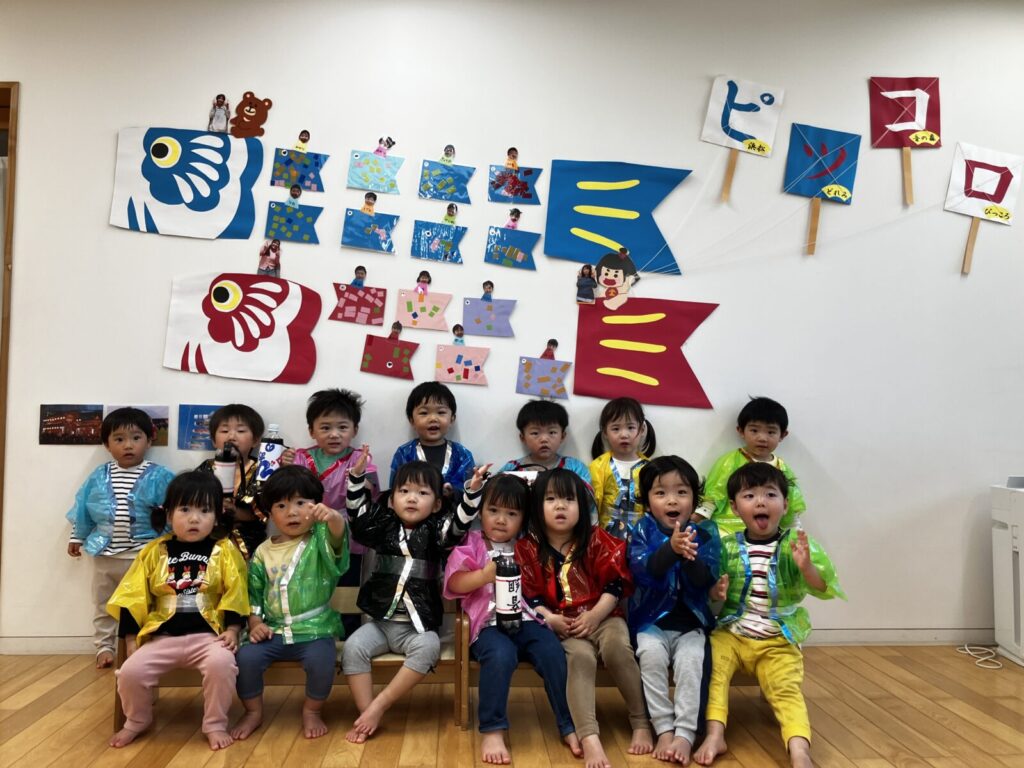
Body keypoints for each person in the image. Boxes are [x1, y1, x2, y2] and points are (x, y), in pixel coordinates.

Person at [693, 463, 843, 768]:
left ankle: (799, 749)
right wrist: (716, 592)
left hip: (777, 639)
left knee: (786, 690)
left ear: (785, 505)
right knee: (714, 675)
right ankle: (715, 735)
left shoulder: (795, 546)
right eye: (750, 496)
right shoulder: (727, 547)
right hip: (732, 634)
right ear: (735, 507)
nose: (760, 502)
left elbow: (823, 586)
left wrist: (806, 568)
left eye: (770, 495)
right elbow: (710, 590)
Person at [343, 451, 485, 742]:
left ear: (436, 504)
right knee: (352, 647)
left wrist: (471, 492)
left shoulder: (436, 531)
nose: (411, 498)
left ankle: (379, 706)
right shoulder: (382, 526)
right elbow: (357, 517)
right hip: (380, 624)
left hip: (416, 628)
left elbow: (458, 525)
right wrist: (356, 479)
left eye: (422, 493)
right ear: (391, 499)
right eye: (404, 491)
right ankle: (366, 713)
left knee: (429, 647)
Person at [517, 469, 653, 768]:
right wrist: (550, 619)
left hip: (603, 616)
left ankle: (641, 721)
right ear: (536, 506)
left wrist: (595, 615)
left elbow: (615, 586)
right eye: (550, 499)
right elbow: (529, 596)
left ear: (582, 506)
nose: (560, 506)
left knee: (618, 648)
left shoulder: (596, 539)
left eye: (569, 499)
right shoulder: (527, 548)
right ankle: (589, 737)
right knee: (580, 659)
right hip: (563, 624)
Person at [444, 474, 581, 764]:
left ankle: (568, 724)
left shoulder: (527, 546)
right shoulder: (471, 542)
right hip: (488, 627)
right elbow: (454, 584)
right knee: (501, 655)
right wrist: (483, 576)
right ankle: (493, 729)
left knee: (552, 652)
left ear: (524, 518)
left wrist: (549, 618)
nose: (501, 520)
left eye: (511, 514)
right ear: (480, 512)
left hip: (527, 621)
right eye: (493, 510)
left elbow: (539, 591)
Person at [107, 471, 249, 750]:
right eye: (185, 509)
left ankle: (215, 723)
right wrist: (131, 638)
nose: (194, 518)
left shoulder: (224, 550)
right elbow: (131, 595)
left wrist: (233, 629)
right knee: (130, 673)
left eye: (204, 510)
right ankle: (137, 720)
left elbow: (236, 591)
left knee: (222, 665)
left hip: (209, 638)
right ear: (169, 514)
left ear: (217, 517)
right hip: (162, 638)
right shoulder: (154, 551)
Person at [231, 465, 349, 741]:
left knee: (322, 662)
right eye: (281, 506)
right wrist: (255, 623)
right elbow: (254, 594)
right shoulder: (262, 552)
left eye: (300, 503)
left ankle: (312, 711)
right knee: (245, 659)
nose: (291, 512)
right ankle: (253, 712)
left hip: (315, 630)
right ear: (269, 513)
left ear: (316, 506)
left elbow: (337, 536)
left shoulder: (319, 540)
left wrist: (333, 517)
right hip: (272, 631)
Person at [629, 456, 721, 765]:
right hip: (650, 623)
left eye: (681, 492)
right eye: (661, 493)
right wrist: (671, 549)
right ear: (647, 502)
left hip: (692, 623)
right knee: (650, 657)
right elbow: (645, 571)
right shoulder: (641, 530)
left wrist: (689, 554)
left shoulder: (705, 533)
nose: (672, 500)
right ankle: (664, 728)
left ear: (694, 500)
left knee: (692, 661)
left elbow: (705, 580)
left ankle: (685, 732)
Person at [66, 407, 174, 668]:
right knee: (104, 603)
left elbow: (175, 512)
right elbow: (83, 509)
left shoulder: (161, 476)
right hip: (106, 556)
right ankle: (104, 646)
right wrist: (77, 536)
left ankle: (146, 645)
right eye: (119, 439)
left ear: (149, 441)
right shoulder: (99, 476)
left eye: (136, 438)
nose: (128, 445)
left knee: (147, 602)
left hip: (145, 556)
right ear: (107, 444)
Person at [283, 388, 378, 636]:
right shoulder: (300, 457)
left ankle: (348, 640)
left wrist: (359, 477)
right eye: (325, 427)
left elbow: (369, 493)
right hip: (305, 535)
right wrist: (283, 466)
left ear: (354, 430)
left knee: (347, 589)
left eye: (342, 427)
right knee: (307, 588)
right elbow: (287, 492)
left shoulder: (361, 459)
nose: (334, 434)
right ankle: (309, 635)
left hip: (347, 536)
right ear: (312, 431)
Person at [695, 397, 806, 534]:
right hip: (727, 530)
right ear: (741, 431)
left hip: (768, 532)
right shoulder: (730, 462)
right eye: (754, 431)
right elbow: (713, 497)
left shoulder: (782, 468)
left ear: (782, 435)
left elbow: (792, 505)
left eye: (771, 432)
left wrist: (796, 531)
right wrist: (696, 520)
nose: (762, 438)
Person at [196, 404, 266, 559]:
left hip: (248, 546)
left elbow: (263, 513)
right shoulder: (206, 468)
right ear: (214, 441)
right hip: (206, 542)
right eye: (224, 431)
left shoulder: (261, 471)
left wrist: (233, 510)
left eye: (240, 431)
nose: (231, 437)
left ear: (255, 440)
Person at [390, 382, 475, 495]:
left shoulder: (462, 455)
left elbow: (471, 490)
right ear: (412, 420)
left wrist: (453, 492)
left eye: (441, 412)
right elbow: (395, 492)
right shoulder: (404, 454)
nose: (433, 418)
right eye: (424, 413)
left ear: (452, 419)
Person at [589, 397, 656, 537]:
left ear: (642, 429)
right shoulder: (598, 466)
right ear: (605, 432)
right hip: (605, 538)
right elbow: (591, 506)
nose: (624, 435)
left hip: (640, 539)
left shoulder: (650, 468)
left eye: (631, 427)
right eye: (616, 429)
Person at [499, 399, 590, 483]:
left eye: (552, 432)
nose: (544, 439)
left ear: (562, 436)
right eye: (535, 433)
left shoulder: (575, 468)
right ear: (523, 438)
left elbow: (586, 494)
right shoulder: (511, 469)